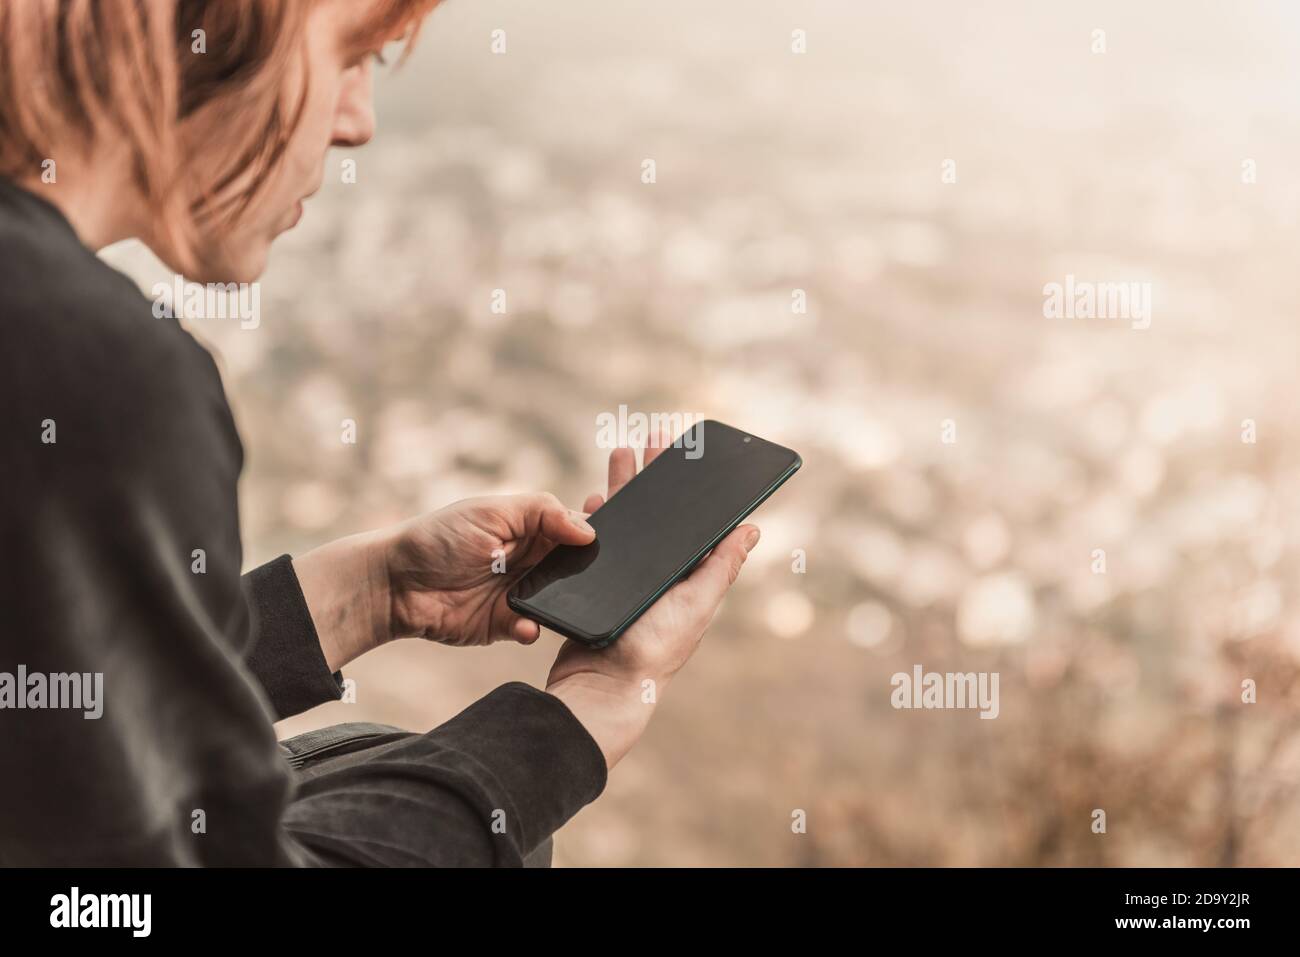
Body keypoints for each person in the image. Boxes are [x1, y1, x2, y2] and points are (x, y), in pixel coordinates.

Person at [0, 0, 760, 866]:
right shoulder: (103, 374)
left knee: (364, 753)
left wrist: (376, 587)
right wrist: (581, 714)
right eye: (354, 54)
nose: (357, 122)